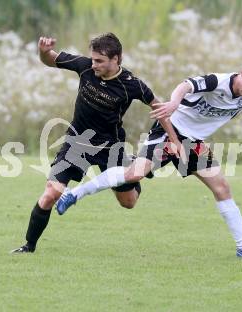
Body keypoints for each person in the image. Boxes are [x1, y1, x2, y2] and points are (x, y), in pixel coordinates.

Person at [56, 61, 242, 260]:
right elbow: (186, 85)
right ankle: (74, 193)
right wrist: (172, 103)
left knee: (222, 189)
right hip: (171, 133)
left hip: (194, 145)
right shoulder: (218, 81)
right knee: (133, 175)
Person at [11, 33, 175, 253]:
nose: (94, 64)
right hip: (76, 143)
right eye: (93, 59)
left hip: (111, 148)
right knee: (51, 192)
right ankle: (28, 246)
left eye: (100, 60)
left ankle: (135, 166)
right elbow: (51, 59)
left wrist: (175, 141)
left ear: (116, 59)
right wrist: (43, 51)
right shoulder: (85, 67)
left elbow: (159, 109)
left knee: (128, 202)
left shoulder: (131, 85)